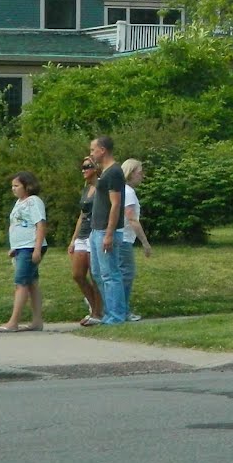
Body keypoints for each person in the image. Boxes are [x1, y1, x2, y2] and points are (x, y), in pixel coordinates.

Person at [82, 135, 128, 326]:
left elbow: (116, 204)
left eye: (93, 150)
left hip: (106, 231)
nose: (91, 153)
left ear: (103, 150)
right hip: (95, 229)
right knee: (99, 274)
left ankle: (117, 316)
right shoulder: (105, 172)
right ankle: (109, 313)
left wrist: (109, 233)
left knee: (110, 273)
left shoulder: (115, 172)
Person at [0, 172, 46, 332]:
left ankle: (13, 322)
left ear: (27, 186)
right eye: (12, 186)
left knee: (21, 283)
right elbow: (18, 225)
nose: (13, 189)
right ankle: (37, 321)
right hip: (21, 247)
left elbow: (40, 224)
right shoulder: (19, 202)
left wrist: (37, 248)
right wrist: (14, 247)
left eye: (17, 185)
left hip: (30, 246)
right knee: (31, 283)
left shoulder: (33, 201)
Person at [68, 159, 103, 325]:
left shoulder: (102, 186)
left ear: (96, 168)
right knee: (77, 274)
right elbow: (82, 215)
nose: (83, 170)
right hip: (82, 235)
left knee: (95, 275)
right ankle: (94, 305)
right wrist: (74, 239)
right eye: (82, 167)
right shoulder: (86, 188)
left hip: (95, 233)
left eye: (87, 167)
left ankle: (98, 313)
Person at [120, 158, 153, 322]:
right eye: (140, 173)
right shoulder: (128, 192)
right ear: (131, 173)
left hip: (117, 238)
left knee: (116, 274)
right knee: (127, 274)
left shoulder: (119, 190)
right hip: (124, 239)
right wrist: (145, 243)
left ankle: (112, 308)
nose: (142, 176)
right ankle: (123, 310)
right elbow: (132, 219)